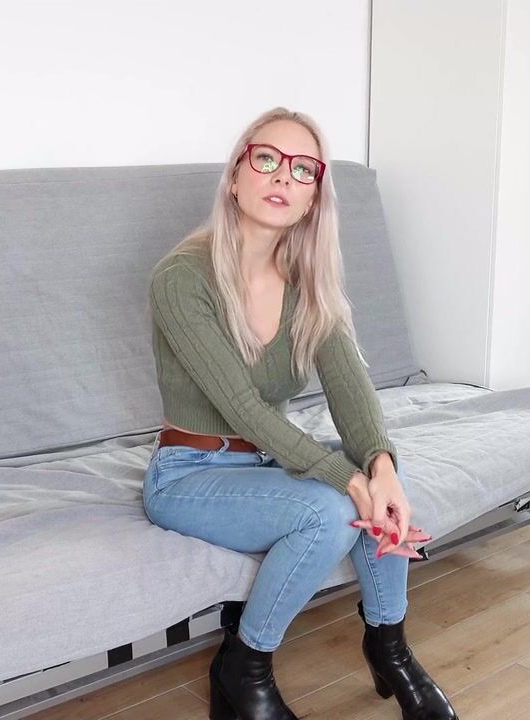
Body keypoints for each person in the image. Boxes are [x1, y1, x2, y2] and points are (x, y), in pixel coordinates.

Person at [143, 107, 458, 720]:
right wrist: (347, 478)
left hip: (269, 464)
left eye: (303, 169)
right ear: (236, 176)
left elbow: (350, 389)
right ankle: (245, 667)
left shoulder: (309, 283)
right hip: (189, 474)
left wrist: (380, 467)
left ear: (314, 196)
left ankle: (390, 646)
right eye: (267, 158)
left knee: (381, 484)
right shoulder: (181, 277)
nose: (282, 176)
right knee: (329, 510)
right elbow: (241, 407)